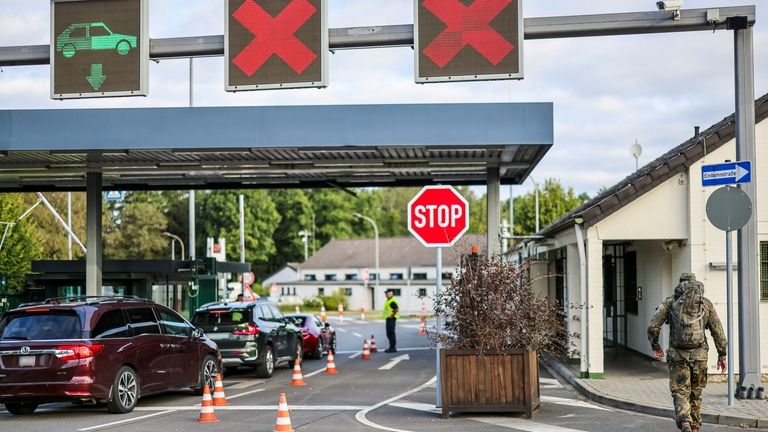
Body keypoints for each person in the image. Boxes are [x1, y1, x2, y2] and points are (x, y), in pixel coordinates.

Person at [648, 273, 727, 432]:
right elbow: (717, 331)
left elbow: (653, 326)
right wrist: (722, 355)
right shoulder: (705, 304)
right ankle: (695, 426)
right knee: (696, 393)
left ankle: (684, 421)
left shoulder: (670, 303)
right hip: (700, 356)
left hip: (677, 356)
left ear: (680, 285)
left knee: (681, 391)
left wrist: (655, 345)